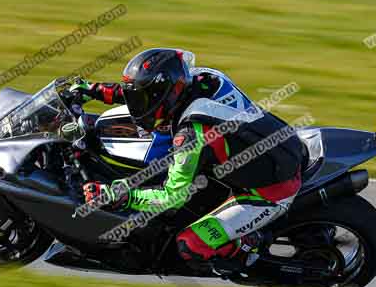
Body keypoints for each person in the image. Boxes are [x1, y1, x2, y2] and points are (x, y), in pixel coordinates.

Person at [72, 48, 305, 272]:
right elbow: (146, 90)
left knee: (190, 245)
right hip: (270, 146)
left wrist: (120, 195)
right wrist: (95, 90)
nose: (138, 105)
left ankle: (249, 244)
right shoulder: (202, 78)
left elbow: (173, 197)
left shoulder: (193, 133)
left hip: (269, 190)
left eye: (143, 99)